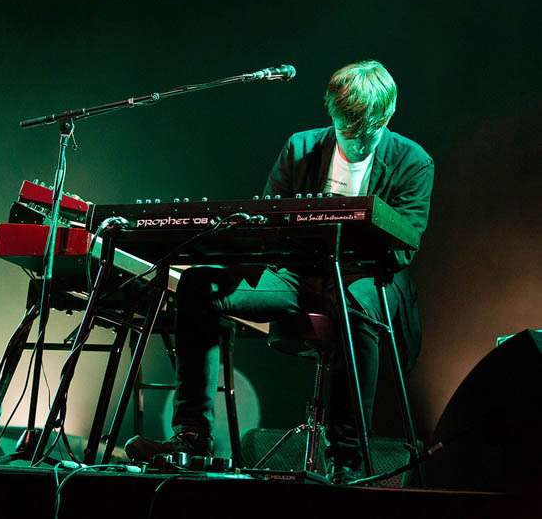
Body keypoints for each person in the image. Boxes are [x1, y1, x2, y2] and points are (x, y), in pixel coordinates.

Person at [124, 60, 434, 483]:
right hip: (296, 273)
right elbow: (268, 223)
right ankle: (192, 436)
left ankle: (346, 459)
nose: (357, 145)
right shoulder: (300, 148)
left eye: (366, 136)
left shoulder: (413, 162)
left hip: (361, 276)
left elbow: (404, 247)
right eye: (347, 132)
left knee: (359, 308)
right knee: (198, 285)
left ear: (388, 116)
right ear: (333, 115)